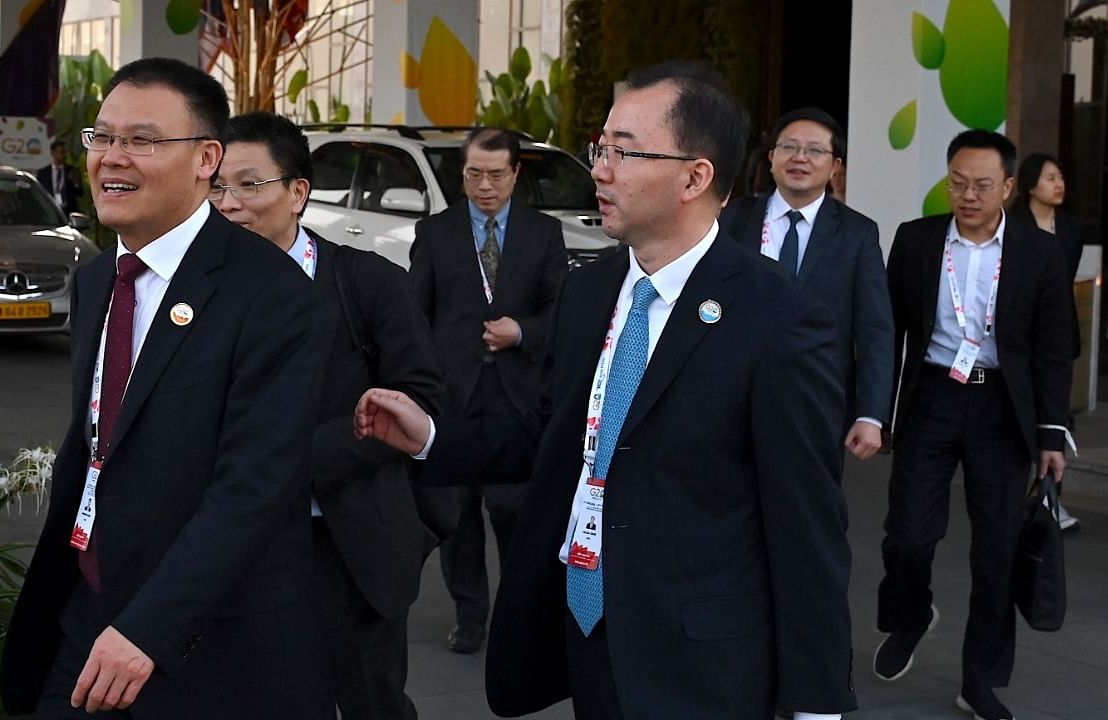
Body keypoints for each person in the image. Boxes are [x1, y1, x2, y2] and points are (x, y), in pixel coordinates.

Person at [357, 60, 855, 719]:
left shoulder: (776, 318)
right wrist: (432, 438)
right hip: (587, 629)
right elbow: (555, 430)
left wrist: (818, 704)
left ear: (695, 176)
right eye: (601, 147)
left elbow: (807, 529)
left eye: (624, 151)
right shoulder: (590, 291)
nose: (601, 168)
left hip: (699, 664)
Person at [0, 58, 334, 720]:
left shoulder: (273, 297)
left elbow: (252, 490)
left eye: (143, 140)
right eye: (103, 137)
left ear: (207, 157)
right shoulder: (96, 283)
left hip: (205, 648)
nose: (113, 157)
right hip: (85, 618)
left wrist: (148, 627)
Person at [210, 111, 443, 720]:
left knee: (370, 702)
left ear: (298, 193)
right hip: (237, 546)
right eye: (216, 186)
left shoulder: (367, 283)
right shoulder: (194, 295)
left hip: (350, 544)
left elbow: (420, 398)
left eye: (248, 184)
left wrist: (291, 465)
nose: (228, 202)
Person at [875, 130, 1074, 720]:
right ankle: (910, 615)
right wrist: (874, 413)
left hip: (1002, 412)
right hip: (933, 397)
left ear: (1008, 187)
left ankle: (980, 680)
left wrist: (1050, 432)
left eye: (982, 185)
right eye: (958, 182)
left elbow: (1052, 348)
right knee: (908, 534)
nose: (967, 195)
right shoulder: (916, 241)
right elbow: (887, 334)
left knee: (997, 552)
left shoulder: (1038, 253)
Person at [408, 126, 568, 654]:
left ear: (516, 173)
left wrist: (521, 332)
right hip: (453, 396)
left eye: (496, 174)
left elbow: (559, 315)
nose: (484, 185)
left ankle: (518, 614)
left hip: (517, 395)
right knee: (458, 517)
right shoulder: (435, 232)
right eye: (474, 173)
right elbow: (416, 316)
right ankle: (470, 617)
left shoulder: (544, 234)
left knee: (515, 513)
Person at [720, 107, 893, 462]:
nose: (800, 157)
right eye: (789, 147)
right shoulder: (732, 221)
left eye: (815, 150)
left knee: (809, 511)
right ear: (771, 158)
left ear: (835, 167)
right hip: (730, 395)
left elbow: (874, 330)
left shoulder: (857, 233)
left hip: (818, 401)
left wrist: (871, 414)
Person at [1012, 152, 1085, 532]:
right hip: (1019, 334)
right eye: (1050, 178)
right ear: (1028, 185)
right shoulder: (1013, 223)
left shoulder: (1072, 229)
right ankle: (1027, 494)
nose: (1059, 184)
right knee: (1023, 413)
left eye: (1060, 177)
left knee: (1057, 415)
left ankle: (1050, 497)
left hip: (1057, 334)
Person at [38, 139, 83, 213]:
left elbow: (80, 193)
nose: (65, 155)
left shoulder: (72, 171)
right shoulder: (43, 173)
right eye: (62, 152)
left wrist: (76, 183)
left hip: (69, 211)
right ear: (53, 153)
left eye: (66, 152)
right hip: (50, 211)